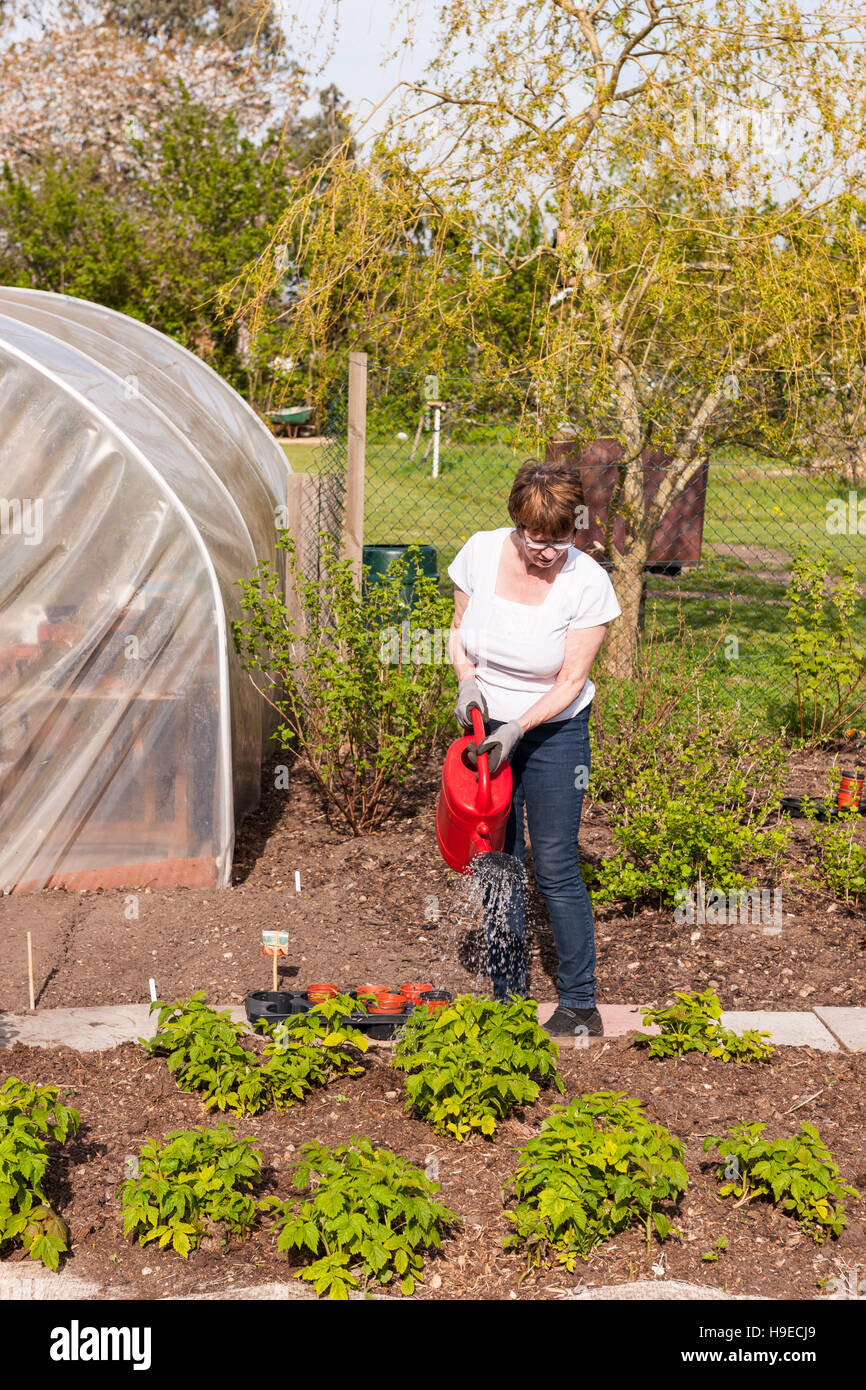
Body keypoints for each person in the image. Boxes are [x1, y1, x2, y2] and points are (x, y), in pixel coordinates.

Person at [447, 457, 621, 1036]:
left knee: (553, 864)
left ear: (577, 526)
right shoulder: (478, 552)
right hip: (484, 730)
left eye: (560, 538)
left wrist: (517, 727)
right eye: (533, 537)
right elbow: (459, 632)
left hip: (551, 733)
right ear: (515, 523)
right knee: (499, 863)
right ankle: (508, 1001)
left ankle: (579, 1006)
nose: (546, 551)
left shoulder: (586, 581)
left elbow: (570, 681)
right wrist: (467, 682)